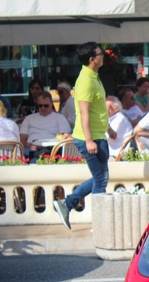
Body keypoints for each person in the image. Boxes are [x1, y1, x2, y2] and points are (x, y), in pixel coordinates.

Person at [54, 42, 112, 230]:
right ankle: (99, 222)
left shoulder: (93, 76)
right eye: (100, 54)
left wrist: (108, 129)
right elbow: (84, 112)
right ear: (91, 59)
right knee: (101, 178)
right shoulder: (86, 80)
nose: (103, 56)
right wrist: (88, 140)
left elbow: (97, 109)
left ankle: (67, 203)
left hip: (97, 135)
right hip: (90, 137)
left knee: (99, 177)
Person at [19, 91, 72, 160]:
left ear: (51, 104)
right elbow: (22, 138)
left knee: (39, 157)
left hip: (51, 150)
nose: (43, 108)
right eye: (40, 106)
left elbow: (64, 138)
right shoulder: (29, 118)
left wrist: (48, 147)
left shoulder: (59, 118)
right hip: (29, 149)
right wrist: (27, 145)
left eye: (46, 105)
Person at [106, 96, 133, 160]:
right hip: (110, 154)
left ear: (116, 108)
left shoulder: (119, 119)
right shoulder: (110, 119)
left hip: (115, 156)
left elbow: (106, 138)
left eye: (106, 107)